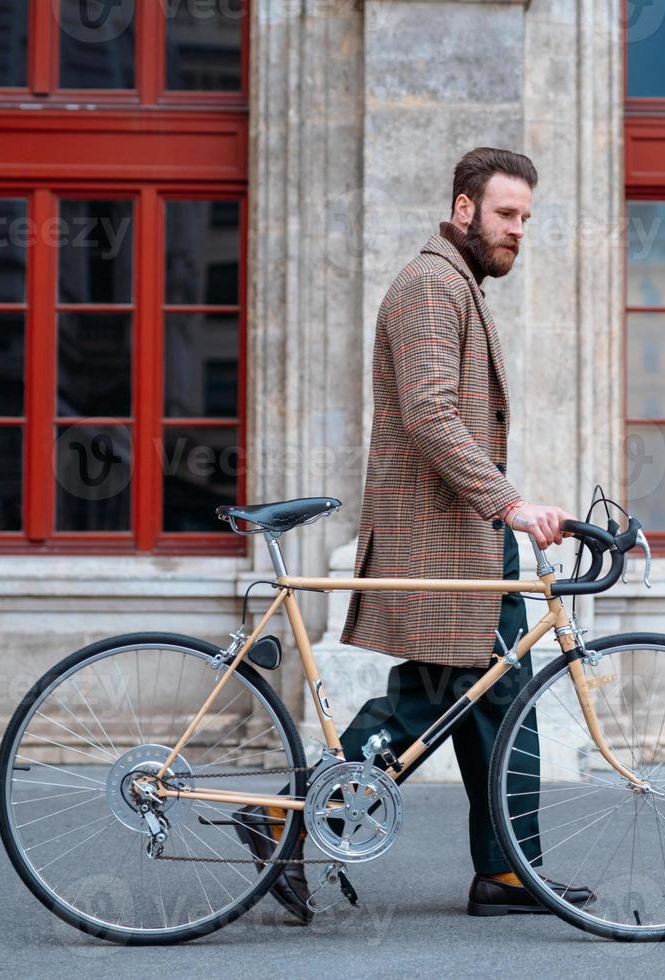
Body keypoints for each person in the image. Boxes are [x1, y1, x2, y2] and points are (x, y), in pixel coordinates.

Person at [234, 147, 593, 921]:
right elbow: (431, 414)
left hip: (465, 533)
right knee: (440, 694)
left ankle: (505, 873)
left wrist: (499, 513)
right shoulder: (432, 284)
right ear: (463, 208)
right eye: (505, 214)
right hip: (445, 534)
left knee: (498, 698)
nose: (517, 231)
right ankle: (284, 817)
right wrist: (511, 503)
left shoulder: (457, 282)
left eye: (526, 218)